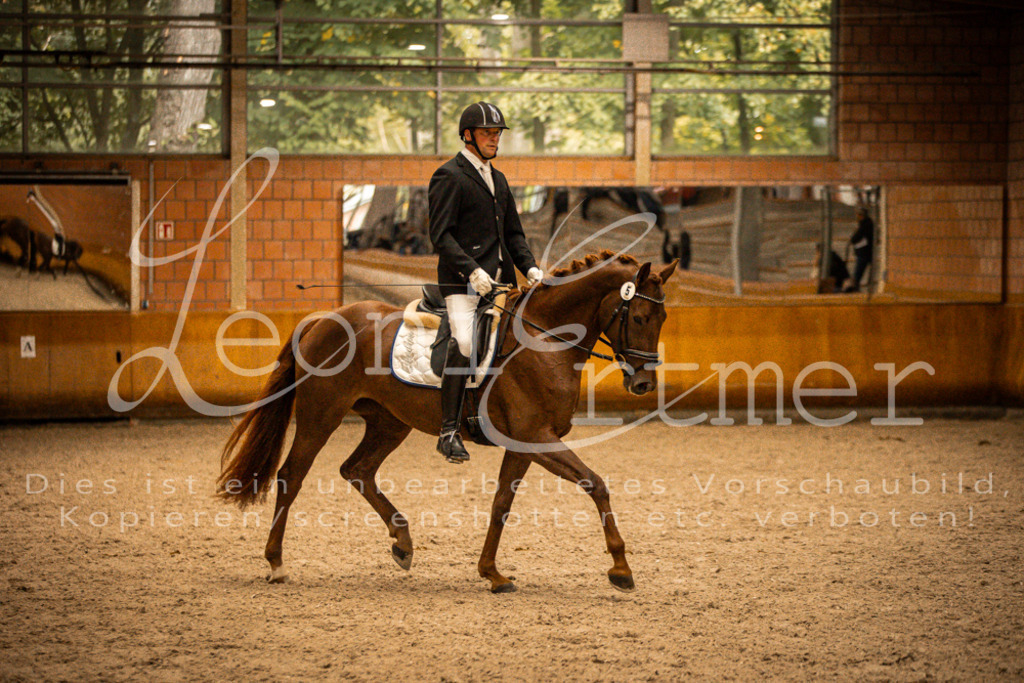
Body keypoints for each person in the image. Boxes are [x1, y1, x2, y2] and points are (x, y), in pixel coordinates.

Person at [427, 102, 544, 464]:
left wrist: (531, 268)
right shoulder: (449, 175)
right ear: (468, 136)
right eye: (487, 133)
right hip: (463, 285)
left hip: (501, 285)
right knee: (463, 341)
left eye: (497, 133)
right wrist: (472, 271)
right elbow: (441, 236)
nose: (494, 139)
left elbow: (513, 235)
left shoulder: (499, 178)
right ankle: (448, 430)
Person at [844, 207, 874, 292]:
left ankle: (855, 289)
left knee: (857, 275)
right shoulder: (866, 223)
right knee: (859, 274)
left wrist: (852, 239)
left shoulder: (865, 224)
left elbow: (857, 237)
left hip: (864, 253)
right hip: (865, 252)